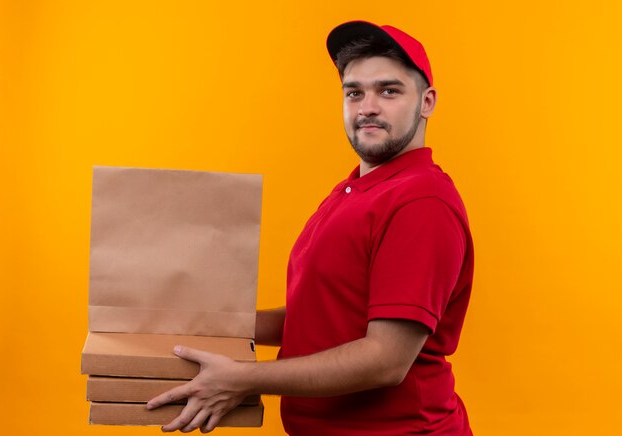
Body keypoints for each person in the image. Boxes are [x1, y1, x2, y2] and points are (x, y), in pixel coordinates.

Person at [147, 20, 474, 435]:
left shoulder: (421, 202)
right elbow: (319, 315)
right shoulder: (355, 189)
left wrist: (242, 377)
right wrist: (212, 321)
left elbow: (386, 359)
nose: (367, 106)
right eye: (354, 92)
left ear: (426, 102)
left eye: (388, 91)